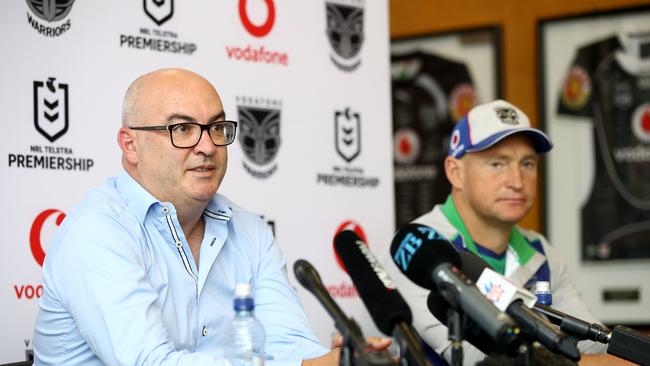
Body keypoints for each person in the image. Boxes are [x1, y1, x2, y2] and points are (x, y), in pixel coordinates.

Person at [33, 68, 388, 365]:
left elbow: (287, 346)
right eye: (182, 129)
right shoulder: (97, 232)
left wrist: (334, 362)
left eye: (216, 128)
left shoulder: (249, 230)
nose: (207, 146)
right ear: (130, 145)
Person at [384, 100, 630, 365]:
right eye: (497, 164)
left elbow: (601, 350)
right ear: (456, 173)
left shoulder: (540, 250)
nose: (516, 181)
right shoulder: (420, 247)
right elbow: (480, 359)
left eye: (527, 164)